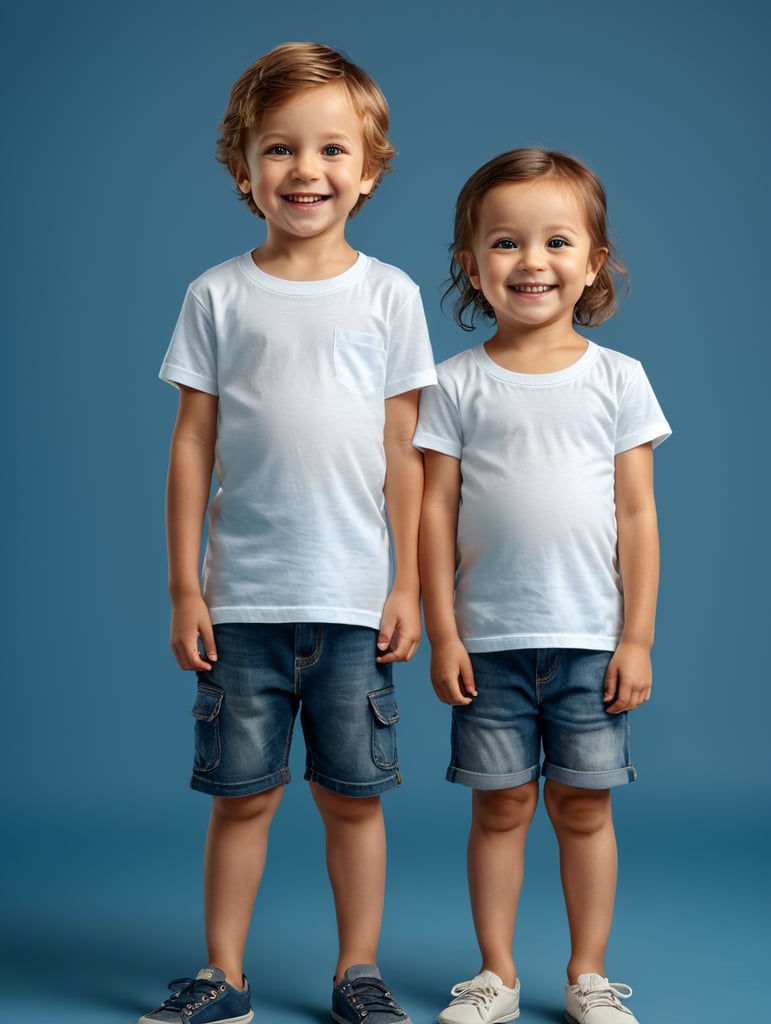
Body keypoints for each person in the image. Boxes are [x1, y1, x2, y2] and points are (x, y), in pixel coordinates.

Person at [140, 42, 436, 1024]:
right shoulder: (217, 295)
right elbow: (192, 445)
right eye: (279, 149)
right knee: (243, 797)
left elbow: (406, 448)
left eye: (331, 150)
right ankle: (223, 976)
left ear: (370, 169)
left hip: (353, 597)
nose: (305, 170)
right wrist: (187, 586)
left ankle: (359, 973)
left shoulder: (388, 296)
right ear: (244, 171)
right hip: (243, 603)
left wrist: (406, 585)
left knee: (353, 797)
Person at [415, 148, 670, 1024]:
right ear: (470, 265)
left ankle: (587, 976)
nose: (531, 262)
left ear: (593, 262)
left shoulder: (617, 379)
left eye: (556, 241)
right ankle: (496, 976)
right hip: (486, 645)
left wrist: (634, 637)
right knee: (500, 810)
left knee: (584, 812)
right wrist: (442, 632)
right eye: (505, 243)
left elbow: (636, 517)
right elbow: (432, 520)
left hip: (590, 642)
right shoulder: (451, 385)